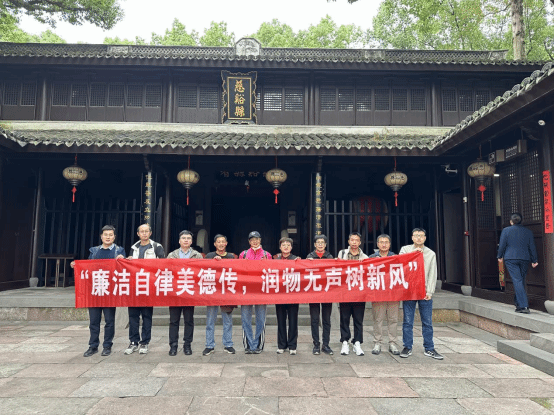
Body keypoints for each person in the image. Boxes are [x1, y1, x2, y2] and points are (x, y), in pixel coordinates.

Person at [71, 225, 126, 358]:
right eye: (105, 235)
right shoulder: (94, 251)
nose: (108, 237)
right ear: (101, 236)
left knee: (109, 321)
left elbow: (123, 268)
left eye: (110, 235)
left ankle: (107, 346)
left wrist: (122, 260)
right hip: (94, 290)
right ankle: (93, 346)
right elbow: (88, 267)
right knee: (94, 321)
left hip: (110, 291)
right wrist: (77, 265)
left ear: (114, 237)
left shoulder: (119, 251)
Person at [399, 228, 443, 360]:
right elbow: (400, 263)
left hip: (424, 291)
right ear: (412, 237)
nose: (418, 238)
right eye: (416, 235)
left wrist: (430, 291)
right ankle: (407, 346)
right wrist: (414, 254)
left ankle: (429, 348)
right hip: (409, 291)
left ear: (425, 238)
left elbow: (432, 273)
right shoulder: (405, 250)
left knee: (427, 322)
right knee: (407, 321)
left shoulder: (430, 254)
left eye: (421, 235)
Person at [124, 224, 165, 356]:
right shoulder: (134, 247)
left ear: (150, 233)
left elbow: (162, 265)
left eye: (147, 231)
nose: (144, 233)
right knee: (133, 316)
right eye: (142, 231)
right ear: (138, 234)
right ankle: (133, 342)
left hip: (148, 286)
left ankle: (145, 342)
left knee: (147, 316)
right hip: (134, 287)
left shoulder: (157, 247)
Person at [167, 230, 203, 356]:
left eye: (188, 238)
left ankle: (187, 345)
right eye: (183, 238)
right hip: (175, 292)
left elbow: (201, 272)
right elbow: (166, 272)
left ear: (191, 241)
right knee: (173, 321)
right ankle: (173, 346)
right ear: (179, 241)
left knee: (189, 320)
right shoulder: (172, 255)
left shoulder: (197, 256)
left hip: (189, 292)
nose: (186, 240)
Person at [203, 234, 237, 356]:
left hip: (226, 292)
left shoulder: (231, 257)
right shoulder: (209, 256)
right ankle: (209, 345)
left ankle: (228, 344)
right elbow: (202, 270)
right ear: (214, 244)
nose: (221, 244)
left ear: (226, 243)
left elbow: (236, 271)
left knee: (227, 320)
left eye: (223, 241)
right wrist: (213, 262)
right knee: (210, 320)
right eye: (218, 242)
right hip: (212, 291)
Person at [497, 213, 539, 314]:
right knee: (520, 280)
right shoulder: (528, 231)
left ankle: (524, 306)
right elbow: (532, 246)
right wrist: (534, 260)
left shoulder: (506, 230)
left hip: (511, 258)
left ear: (511, 222)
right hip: (524, 258)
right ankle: (518, 304)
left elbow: (502, 244)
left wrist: (499, 256)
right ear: (521, 221)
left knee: (517, 280)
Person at [239, 231, 271, 354]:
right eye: (252, 239)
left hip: (261, 291)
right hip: (246, 291)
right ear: (249, 241)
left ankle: (258, 345)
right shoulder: (243, 254)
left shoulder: (267, 255)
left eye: (257, 239)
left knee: (261, 319)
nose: (255, 241)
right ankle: (248, 344)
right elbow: (238, 272)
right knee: (245, 318)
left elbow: (272, 272)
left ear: (260, 240)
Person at [337, 232, 368, 357]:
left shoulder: (365, 257)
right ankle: (345, 341)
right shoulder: (342, 254)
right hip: (345, 292)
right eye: (352, 240)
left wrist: (364, 263)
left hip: (359, 293)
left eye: (357, 240)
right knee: (344, 318)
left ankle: (357, 342)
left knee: (358, 319)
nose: (354, 242)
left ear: (360, 242)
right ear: (348, 241)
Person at [368, 234, 400, 356]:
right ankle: (377, 342)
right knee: (378, 319)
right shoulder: (371, 258)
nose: (384, 244)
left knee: (393, 319)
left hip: (393, 294)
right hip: (378, 294)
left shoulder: (396, 257)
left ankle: (392, 343)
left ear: (390, 244)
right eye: (381, 242)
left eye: (386, 242)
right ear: (377, 244)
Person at [306, 234, 334, 356]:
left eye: (323, 242)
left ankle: (326, 344)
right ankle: (316, 344)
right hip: (314, 292)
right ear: (315, 245)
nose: (320, 244)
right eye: (318, 242)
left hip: (327, 292)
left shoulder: (330, 257)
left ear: (325, 244)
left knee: (326, 320)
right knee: (315, 319)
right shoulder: (310, 257)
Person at [274, 237, 300, 356]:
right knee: (281, 320)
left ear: (291, 247)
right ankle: (281, 345)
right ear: (280, 247)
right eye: (283, 245)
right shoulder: (275, 260)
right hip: (279, 294)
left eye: (288, 245)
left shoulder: (296, 260)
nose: (286, 247)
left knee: (293, 320)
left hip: (293, 294)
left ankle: (292, 345)